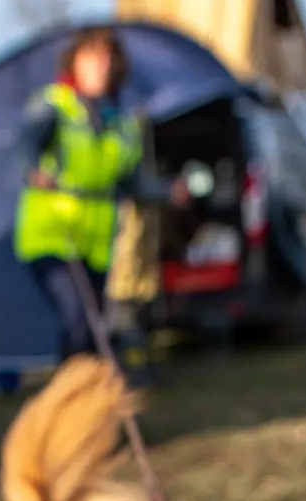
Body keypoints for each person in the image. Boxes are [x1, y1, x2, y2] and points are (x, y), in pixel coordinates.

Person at [14, 26, 188, 364]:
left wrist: (169, 190)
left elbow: (133, 181)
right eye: (92, 58)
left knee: (92, 332)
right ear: (74, 63)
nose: (101, 66)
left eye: (108, 59)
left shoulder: (123, 123)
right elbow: (25, 146)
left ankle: (84, 401)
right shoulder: (55, 105)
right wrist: (33, 169)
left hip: (95, 245)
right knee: (79, 319)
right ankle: (76, 403)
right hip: (51, 236)